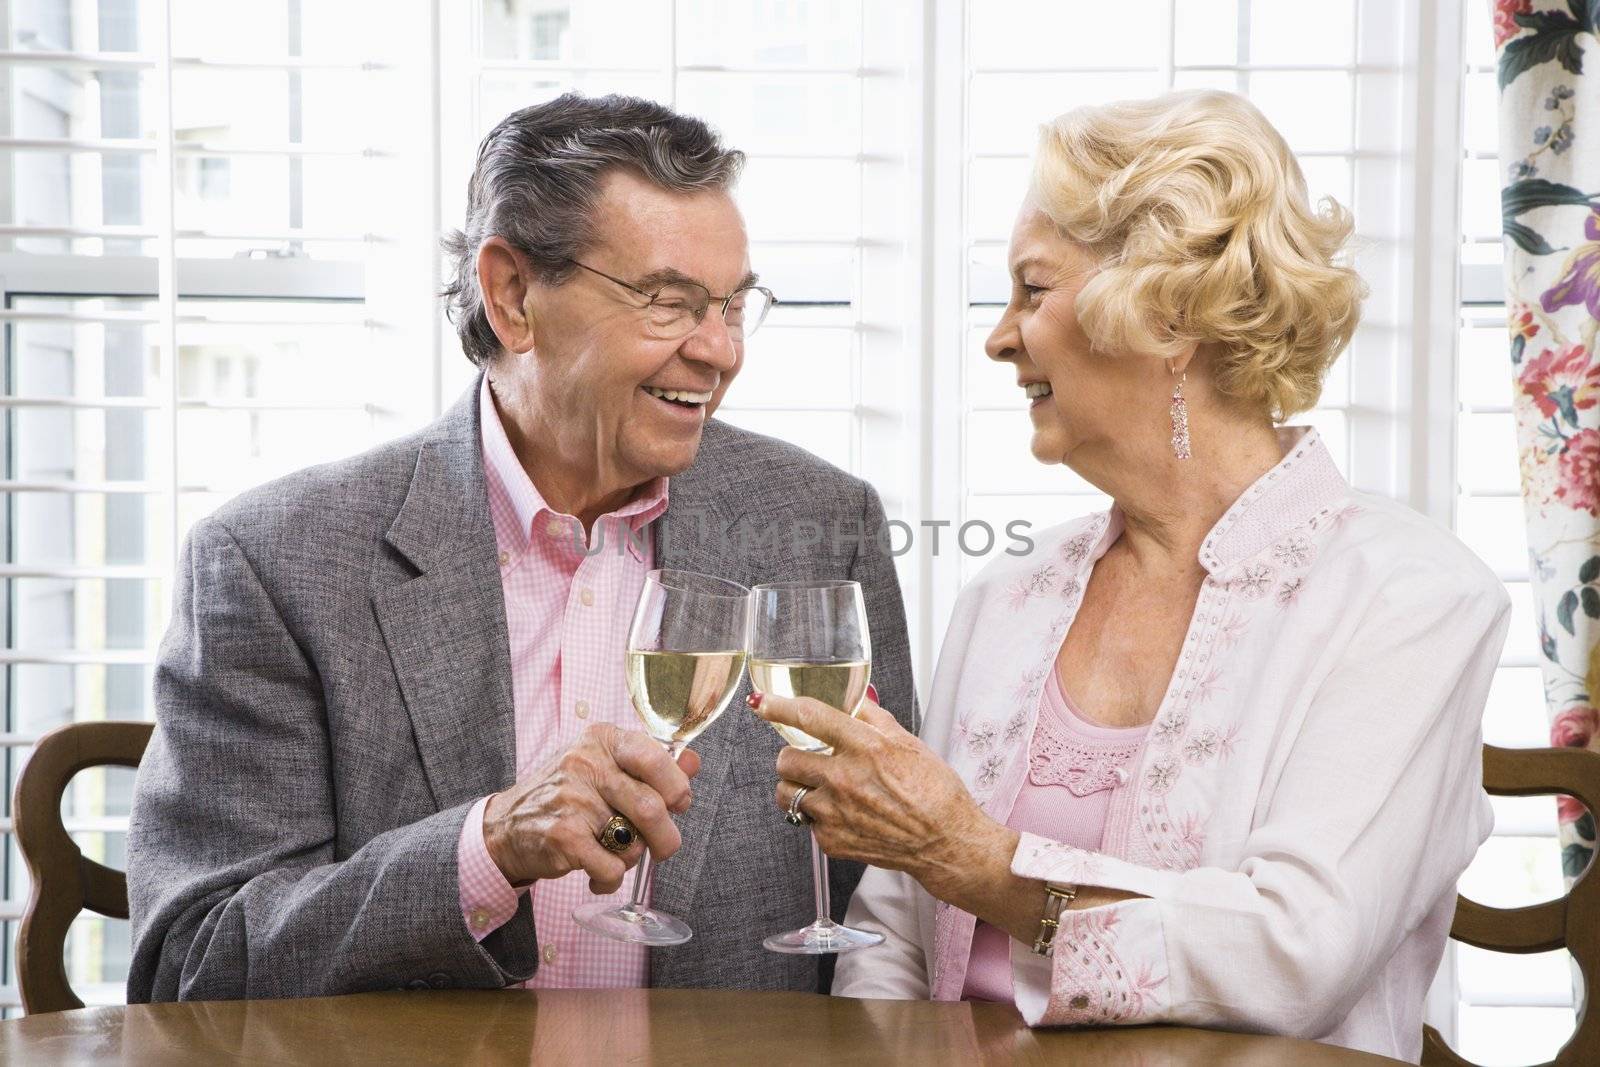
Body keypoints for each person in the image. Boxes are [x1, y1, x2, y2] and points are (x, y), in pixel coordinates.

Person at [751, 90, 1508, 1062]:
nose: (998, 336)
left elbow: (1296, 952)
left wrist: (980, 861)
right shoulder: (1007, 599)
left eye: (1032, 289)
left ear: (1166, 313)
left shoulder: (1409, 599)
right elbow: (891, 936)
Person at [127, 93, 915, 1001]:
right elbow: (192, 965)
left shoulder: (821, 523)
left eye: (735, 305)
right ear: (512, 296)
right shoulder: (275, 562)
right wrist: (487, 847)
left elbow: (891, 901)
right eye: (669, 302)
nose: (719, 349)